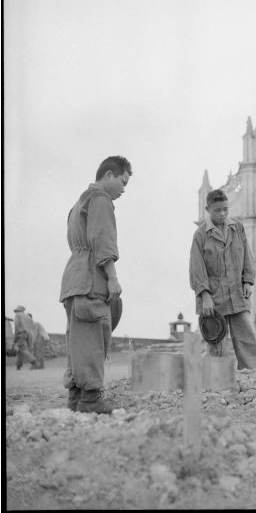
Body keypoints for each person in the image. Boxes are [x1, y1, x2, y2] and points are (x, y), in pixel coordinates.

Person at [59, 156, 132, 413]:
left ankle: (75, 396)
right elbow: (102, 240)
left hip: (73, 280)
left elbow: (79, 243)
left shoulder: (78, 202)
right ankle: (91, 398)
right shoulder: (101, 199)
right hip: (91, 280)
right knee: (93, 337)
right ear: (109, 175)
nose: (123, 190)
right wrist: (112, 277)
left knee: (77, 340)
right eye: (123, 182)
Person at [189, 189, 256, 370]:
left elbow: (247, 256)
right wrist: (204, 296)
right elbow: (196, 268)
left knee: (247, 339)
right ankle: (217, 385)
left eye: (225, 209)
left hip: (238, 294)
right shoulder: (200, 235)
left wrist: (247, 281)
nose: (222, 214)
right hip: (213, 300)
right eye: (217, 210)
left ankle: (252, 378)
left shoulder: (237, 228)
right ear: (208, 209)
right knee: (216, 344)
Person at [12, 305, 40, 370]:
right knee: (20, 350)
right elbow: (32, 326)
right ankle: (18, 365)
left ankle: (34, 361)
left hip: (21, 333)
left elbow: (16, 326)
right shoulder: (27, 316)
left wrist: (15, 337)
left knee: (22, 349)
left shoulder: (17, 316)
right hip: (28, 334)